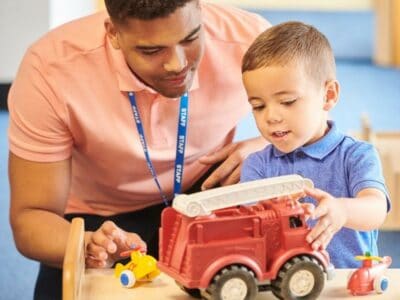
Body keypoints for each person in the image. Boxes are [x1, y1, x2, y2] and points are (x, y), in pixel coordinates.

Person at [7, 0, 270, 299]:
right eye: (152, 50)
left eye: (190, 38)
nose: (177, 64)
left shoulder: (250, 39)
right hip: (99, 219)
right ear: (113, 33)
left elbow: (318, 120)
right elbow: (31, 219)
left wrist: (267, 145)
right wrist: (89, 245)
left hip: (204, 195)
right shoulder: (50, 70)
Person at [240, 21, 390, 268]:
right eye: (258, 106)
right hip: (285, 281)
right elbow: (247, 225)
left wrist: (342, 210)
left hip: (347, 284)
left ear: (328, 95)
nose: (271, 117)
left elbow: (376, 209)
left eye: (287, 101)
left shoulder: (356, 155)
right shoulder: (257, 165)